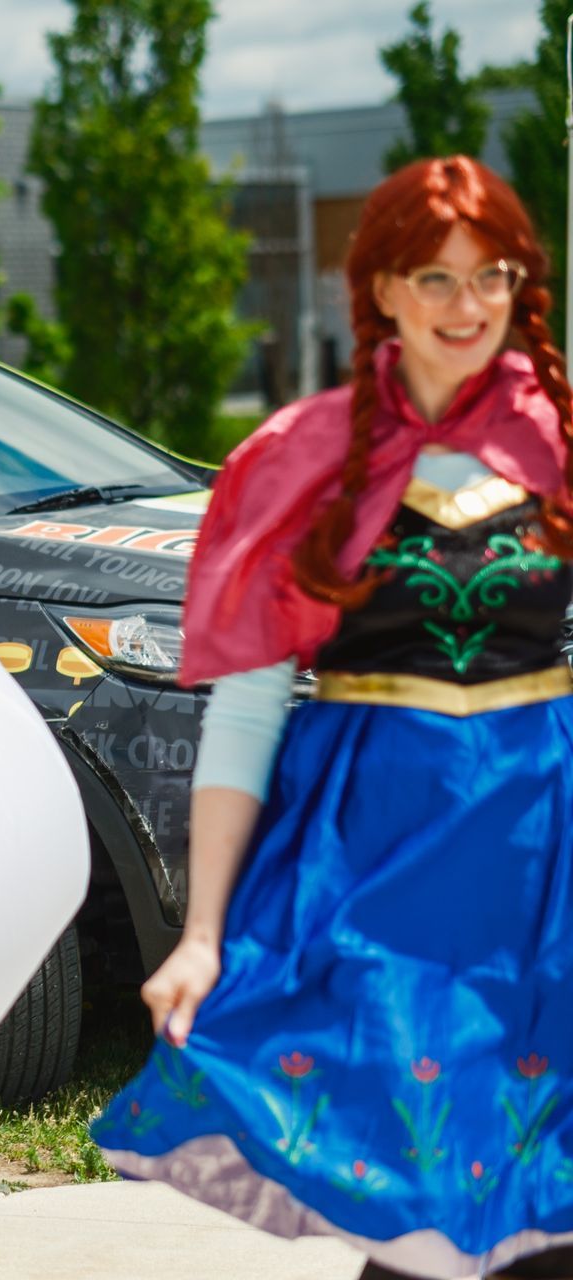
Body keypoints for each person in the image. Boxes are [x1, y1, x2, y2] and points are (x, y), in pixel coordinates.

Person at [92, 157, 573, 1279]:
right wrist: (204, 932)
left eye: (490, 277)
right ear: (384, 293)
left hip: (541, 858)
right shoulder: (304, 457)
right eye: (436, 279)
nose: (468, 307)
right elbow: (250, 711)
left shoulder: (557, 441)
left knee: (546, 1206)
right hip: (378, 858)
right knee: (416, 1223)